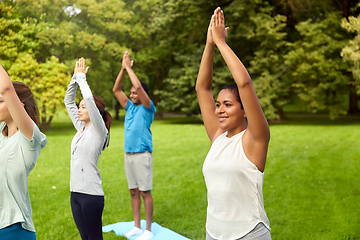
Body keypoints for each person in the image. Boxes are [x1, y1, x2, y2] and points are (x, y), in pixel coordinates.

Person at [195, 7, 271, 240]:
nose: (219, 110)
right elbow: (202, 88)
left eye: (227, 105)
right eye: (218, 105)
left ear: (245, 110)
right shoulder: (218, 136)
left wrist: (221, 43)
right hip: (213, 233)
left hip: (249, 234)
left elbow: (245, 84)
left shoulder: (255, 139)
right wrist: (209, 45)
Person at [64, 57, 112, 240]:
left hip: (91, 195)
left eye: (83, 107)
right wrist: (74, 79)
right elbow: (68, 102)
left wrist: (83, 79)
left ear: (94, 112)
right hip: (75, 193)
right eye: (80, 106)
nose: (79, 109)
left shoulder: (99, 131)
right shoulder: (81, 128)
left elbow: (90, 100)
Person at [0, 64, 47, 240]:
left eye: (0, 101)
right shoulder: (1, 133)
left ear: (17, 106)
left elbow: (5, 88)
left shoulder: (29, 138)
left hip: (13, 229)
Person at [113, 51, 156, 240]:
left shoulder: (148, 108)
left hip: (142, 154)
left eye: (135, 93)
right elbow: (116, 90)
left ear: (142, 94)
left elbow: (138, 85)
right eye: (130, 93)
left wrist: (130, 68)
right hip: (128, 154)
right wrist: (123, 69)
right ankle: (137, 226)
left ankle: (148, 229)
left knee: (145, 192)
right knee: (133, 191)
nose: (132, 94)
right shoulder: (130, 107)